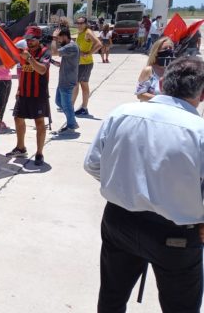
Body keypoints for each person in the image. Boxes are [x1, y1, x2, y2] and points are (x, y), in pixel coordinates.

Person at [84, 57, 204, 313]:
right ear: (201, 95)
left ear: (161, 83)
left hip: (119, 221)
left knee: (111, 298)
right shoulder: (199, 131)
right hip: (176, 234)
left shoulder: (122, 113)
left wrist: (125, 185)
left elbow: (93, 164)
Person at [5, 26, 51, 166]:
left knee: (39, 123)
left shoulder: (45, 52)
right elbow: (22, 72)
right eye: (27, 39)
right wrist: (18, 89)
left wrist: (30, 58)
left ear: (38, 39)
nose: (29, 42)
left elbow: (42, 70)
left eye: (32, 39)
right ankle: (21, 148)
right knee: (17, 118)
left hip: (38, 95)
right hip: (23, 93)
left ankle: (39, 153)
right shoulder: (23, 52)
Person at [50, 27, 80, 134]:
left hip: (67, 81)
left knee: (66, 105)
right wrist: (53, 62)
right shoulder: (70, 46)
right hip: (64, 80)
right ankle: (71, 120)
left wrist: (53, 37)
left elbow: (54, 52)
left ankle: (71, 125)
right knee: (58, 101)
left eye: (59, 39)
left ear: (64, 36)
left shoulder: (71, 46)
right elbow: (66, 63)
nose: (58, 41)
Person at [72, 16, 102, 116]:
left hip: (85, 63)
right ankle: (80, 107)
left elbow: (99, 44)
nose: (79, 25)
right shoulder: (80, 33)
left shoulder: (88, 32)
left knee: (81, 85)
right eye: (78, 23)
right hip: (80, 63)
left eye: (81, 23)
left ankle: (80, 107)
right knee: (79, 85)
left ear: (86, 23)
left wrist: (88, 53)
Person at [135, 36, 174, 101]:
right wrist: (163, 99)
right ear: (156, 51)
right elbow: (140, 95)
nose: (168, 50)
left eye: (171, 48)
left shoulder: (173, 70)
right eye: (165, 48)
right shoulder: (148, 70)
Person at [0, 64, 12, 134]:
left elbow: (11, 66)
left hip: (8, 79)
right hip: (0, 79)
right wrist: (6, 65)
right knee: (0, 103)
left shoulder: (6, 55)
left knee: (4, 102)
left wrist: (10, 64)